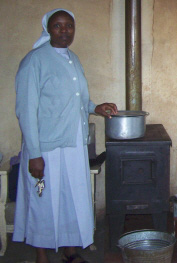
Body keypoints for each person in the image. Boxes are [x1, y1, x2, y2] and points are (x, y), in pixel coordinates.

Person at [13, 8, 118, 263]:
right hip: (46, 146)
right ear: (48, 29)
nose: (64, 31)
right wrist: (35, 155)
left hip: (73, 143)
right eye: (58, 26)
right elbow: (26, 111)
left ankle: (70, 252)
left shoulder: (73, 59)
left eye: (69, 26)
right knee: (43, 201)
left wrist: (96, 107)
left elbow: (78, 99)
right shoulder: (34, 61)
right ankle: (41, 255)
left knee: (71, 197)